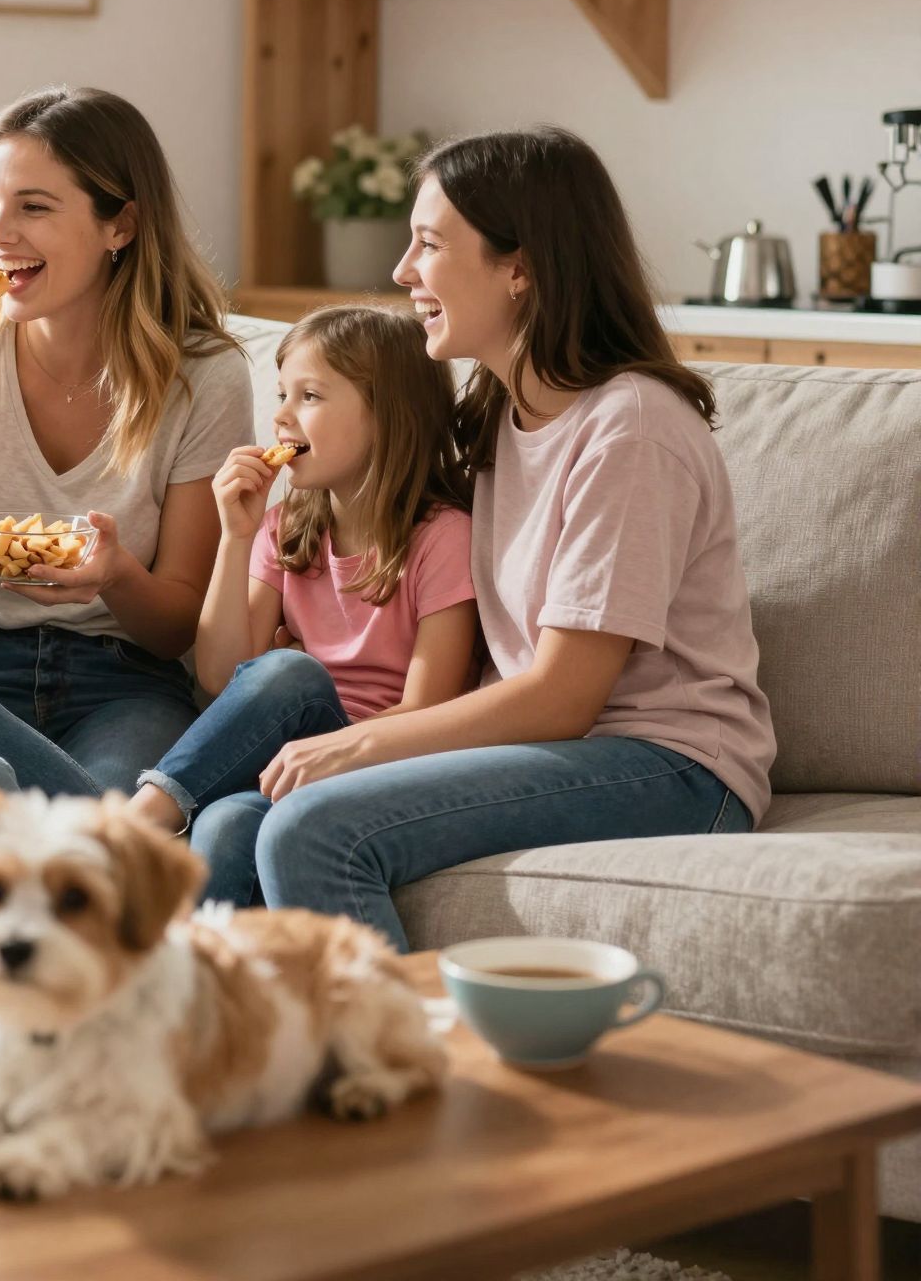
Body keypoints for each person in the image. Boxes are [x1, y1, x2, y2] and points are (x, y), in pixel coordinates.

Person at [244, 126, 772, 949]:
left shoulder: (629, 430)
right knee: (248, 814)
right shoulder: (499, 415)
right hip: (569, 746)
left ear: (518, 268)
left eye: (426, 244)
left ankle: (395, 1071)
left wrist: (359, 746)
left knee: (313, 828)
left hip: (672, 766)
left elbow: (563, 696)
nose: (402, 272)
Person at [0, 86, 252, 797]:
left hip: (124, 684)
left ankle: (50, 834)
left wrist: (117, 576)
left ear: (120, 226)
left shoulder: (203, 375)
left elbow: (175, 628)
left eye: (33, 207)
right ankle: (104, 844)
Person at [126, 305, 479, 905]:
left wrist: (321, 746)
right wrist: (236, 537)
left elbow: (429, 709)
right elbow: (218, 676)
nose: (281, 415)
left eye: (309, 396)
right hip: (290, 762)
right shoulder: (283, 527)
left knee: (289, 670)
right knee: (225, 823)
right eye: (283, 393)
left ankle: (135, 823)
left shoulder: (444, 536)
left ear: (389, 416)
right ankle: (212, 987)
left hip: (381, 755)